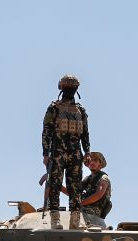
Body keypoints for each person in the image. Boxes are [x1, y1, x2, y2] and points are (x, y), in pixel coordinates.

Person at [41, 74, 90, 229]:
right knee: (55, 185)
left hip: (75, 153)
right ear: (61, 88)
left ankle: (75, 221)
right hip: (57, 152)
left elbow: (85, 133)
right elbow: (46, 131)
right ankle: (55, 220)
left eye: (72, 87)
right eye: (67, 87)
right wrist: (45, 153)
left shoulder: (80, 110)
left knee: (75, 187)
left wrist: (87, 152)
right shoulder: (54, 108)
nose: (70, 90)